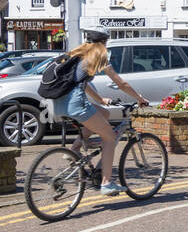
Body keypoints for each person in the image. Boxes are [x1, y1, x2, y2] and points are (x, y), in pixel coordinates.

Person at [52, 30, 148, 196]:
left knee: (104, 114)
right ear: (103, 43)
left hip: (58, 105)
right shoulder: (98, 56)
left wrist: (101, 99)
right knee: (110, 137)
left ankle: (74, 150)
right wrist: (139, 98)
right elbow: (121, 83)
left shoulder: (76, 54)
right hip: (77, 105)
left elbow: (81, 83)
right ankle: (107, 183)